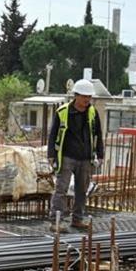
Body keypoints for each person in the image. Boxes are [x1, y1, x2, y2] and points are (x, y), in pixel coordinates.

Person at [47, 78, 105, 233]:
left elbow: (98, 134)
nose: (87, 100)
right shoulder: (63, 112)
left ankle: (77, 219)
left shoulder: (92, 113)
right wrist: (51, 155)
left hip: (85, 158)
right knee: (61, 190)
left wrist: (100, 154)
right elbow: (53, 135)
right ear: (76, 95)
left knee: (82, 191)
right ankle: (56, 221)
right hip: (66, 157)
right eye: (84, 96)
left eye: (89, 97)